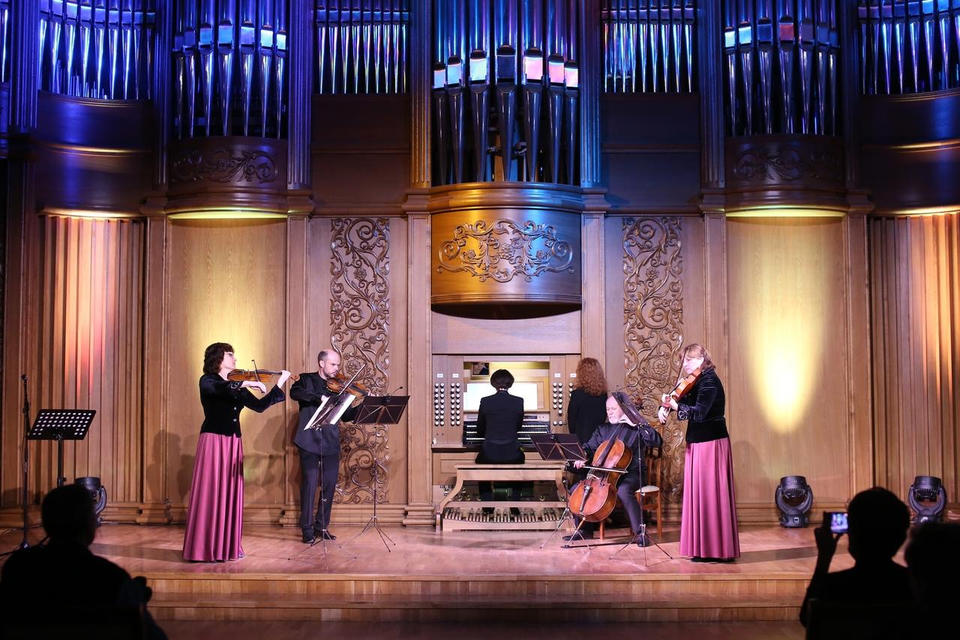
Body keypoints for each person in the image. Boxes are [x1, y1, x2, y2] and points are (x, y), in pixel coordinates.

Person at [0, 485, 166, 639]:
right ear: (90, 524)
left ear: (45, 522)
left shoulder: (17, 567)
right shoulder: (110, 577)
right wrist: (137, 599)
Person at [182, 343, 289, 562]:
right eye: (230, 355)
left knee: (229, 492)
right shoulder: (208, 380)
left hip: (232, 442)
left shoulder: (237, 385)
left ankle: (225, 547)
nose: (235, 359)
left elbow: (259, 406)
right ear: (218, 359)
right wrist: (248, 382)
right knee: (211, 491)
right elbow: (218, 389)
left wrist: (279, 383)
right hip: (213, 441)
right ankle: (204, 548)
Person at [659, 343, 739, 561]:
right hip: (698, 442)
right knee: (700, 495)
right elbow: (680, 399)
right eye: (683, 360)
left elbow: (700, 413)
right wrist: (664, 407)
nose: (684, 364)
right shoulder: (696, 381)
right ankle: (703, 548)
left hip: (711, 442)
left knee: (710, 494)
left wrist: (676, 407)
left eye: (689, 360)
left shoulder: (709, 381)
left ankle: (717, 550)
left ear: (702, 360)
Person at [799, 487, 913, 629]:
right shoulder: (915, 585)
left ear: (852, 533)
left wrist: (824, 557)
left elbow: (808, 618)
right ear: (901, 538)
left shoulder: (833, 587)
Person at [569, 391, 663, 544]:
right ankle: (584, 531)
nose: (610, 412)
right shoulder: (603, 429)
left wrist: (639, 422)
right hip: (604, 475)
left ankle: (640, 533)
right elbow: (589, 447)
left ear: (624, 409)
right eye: (608, 409)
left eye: (613, 409)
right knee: (575, 489)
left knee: (624, 490)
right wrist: (582, 456)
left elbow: (656, 442)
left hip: (632, 474)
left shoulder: (635, 428)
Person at [290, 349, 359, 543]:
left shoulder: (339, 387)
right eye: (333, 364)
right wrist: (319, 398)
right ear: (321, 363)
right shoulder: (306, 380)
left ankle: (321, 527)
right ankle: (307, 529)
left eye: (338, 365)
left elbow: (346, 415)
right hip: (308, 440)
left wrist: (365, 406)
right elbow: (295, 393)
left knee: (329, 486)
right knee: (310, 485)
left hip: (330, 441)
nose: (337, 368)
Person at [475, 369, 525, 506]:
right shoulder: (518, 401)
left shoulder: (485, 401)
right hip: (512, 453)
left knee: (480, 461)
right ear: (510, 383)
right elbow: (518, 427)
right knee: (520, 458)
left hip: (490, 453)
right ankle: (515, 504)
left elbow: (480, 430)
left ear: (493, 383)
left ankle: (487, 505)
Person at [567, 357, 608, 446]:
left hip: (581, 440)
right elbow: (603, 418)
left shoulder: (577, 394)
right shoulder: (603, 395)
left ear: (581, 373)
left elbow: (571, 421)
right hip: (599, 439)